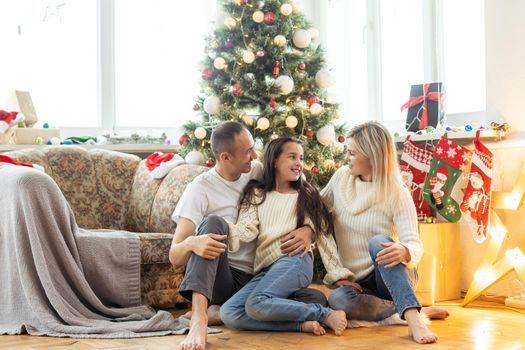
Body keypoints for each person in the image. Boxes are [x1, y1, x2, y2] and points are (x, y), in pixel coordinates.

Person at [168, 122, 326, 350]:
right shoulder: (199, 189)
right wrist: (193, 242)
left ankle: (221, 312)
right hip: (222, 278)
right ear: (225, 157)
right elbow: (175, 256)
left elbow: (301, 193)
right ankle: (199, 320)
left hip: (259, 277)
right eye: (247, 152)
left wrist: (308, 229)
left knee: (316, 299)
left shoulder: (256, 170)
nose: (255, 155)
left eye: (253, 148)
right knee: (214, 223)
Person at [321, 121, 445, 344]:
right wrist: (337, 272)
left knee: (379, 243)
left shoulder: (396, 192)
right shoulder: (340, 178)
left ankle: (414, 320)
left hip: (389, 275)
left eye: (352, 153)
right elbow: (315, 210)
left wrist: (404, 250)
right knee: (339, 301)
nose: (346, 158)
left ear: (372, 156)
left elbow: (414, 244)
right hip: (358, 284)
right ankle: (411, 308)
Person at [220, 137, 349, 335]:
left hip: (295, 259)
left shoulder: (305, 194)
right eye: (292, 157)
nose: (299, 163)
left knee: (256, 304)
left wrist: (338, 273)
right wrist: (222, 229)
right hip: (266, 268)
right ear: (274, 161)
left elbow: (323, 235)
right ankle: (300, 324)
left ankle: (324, 314)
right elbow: (246, 229)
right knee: (229, 313)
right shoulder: (256, 193)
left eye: (301, 158)